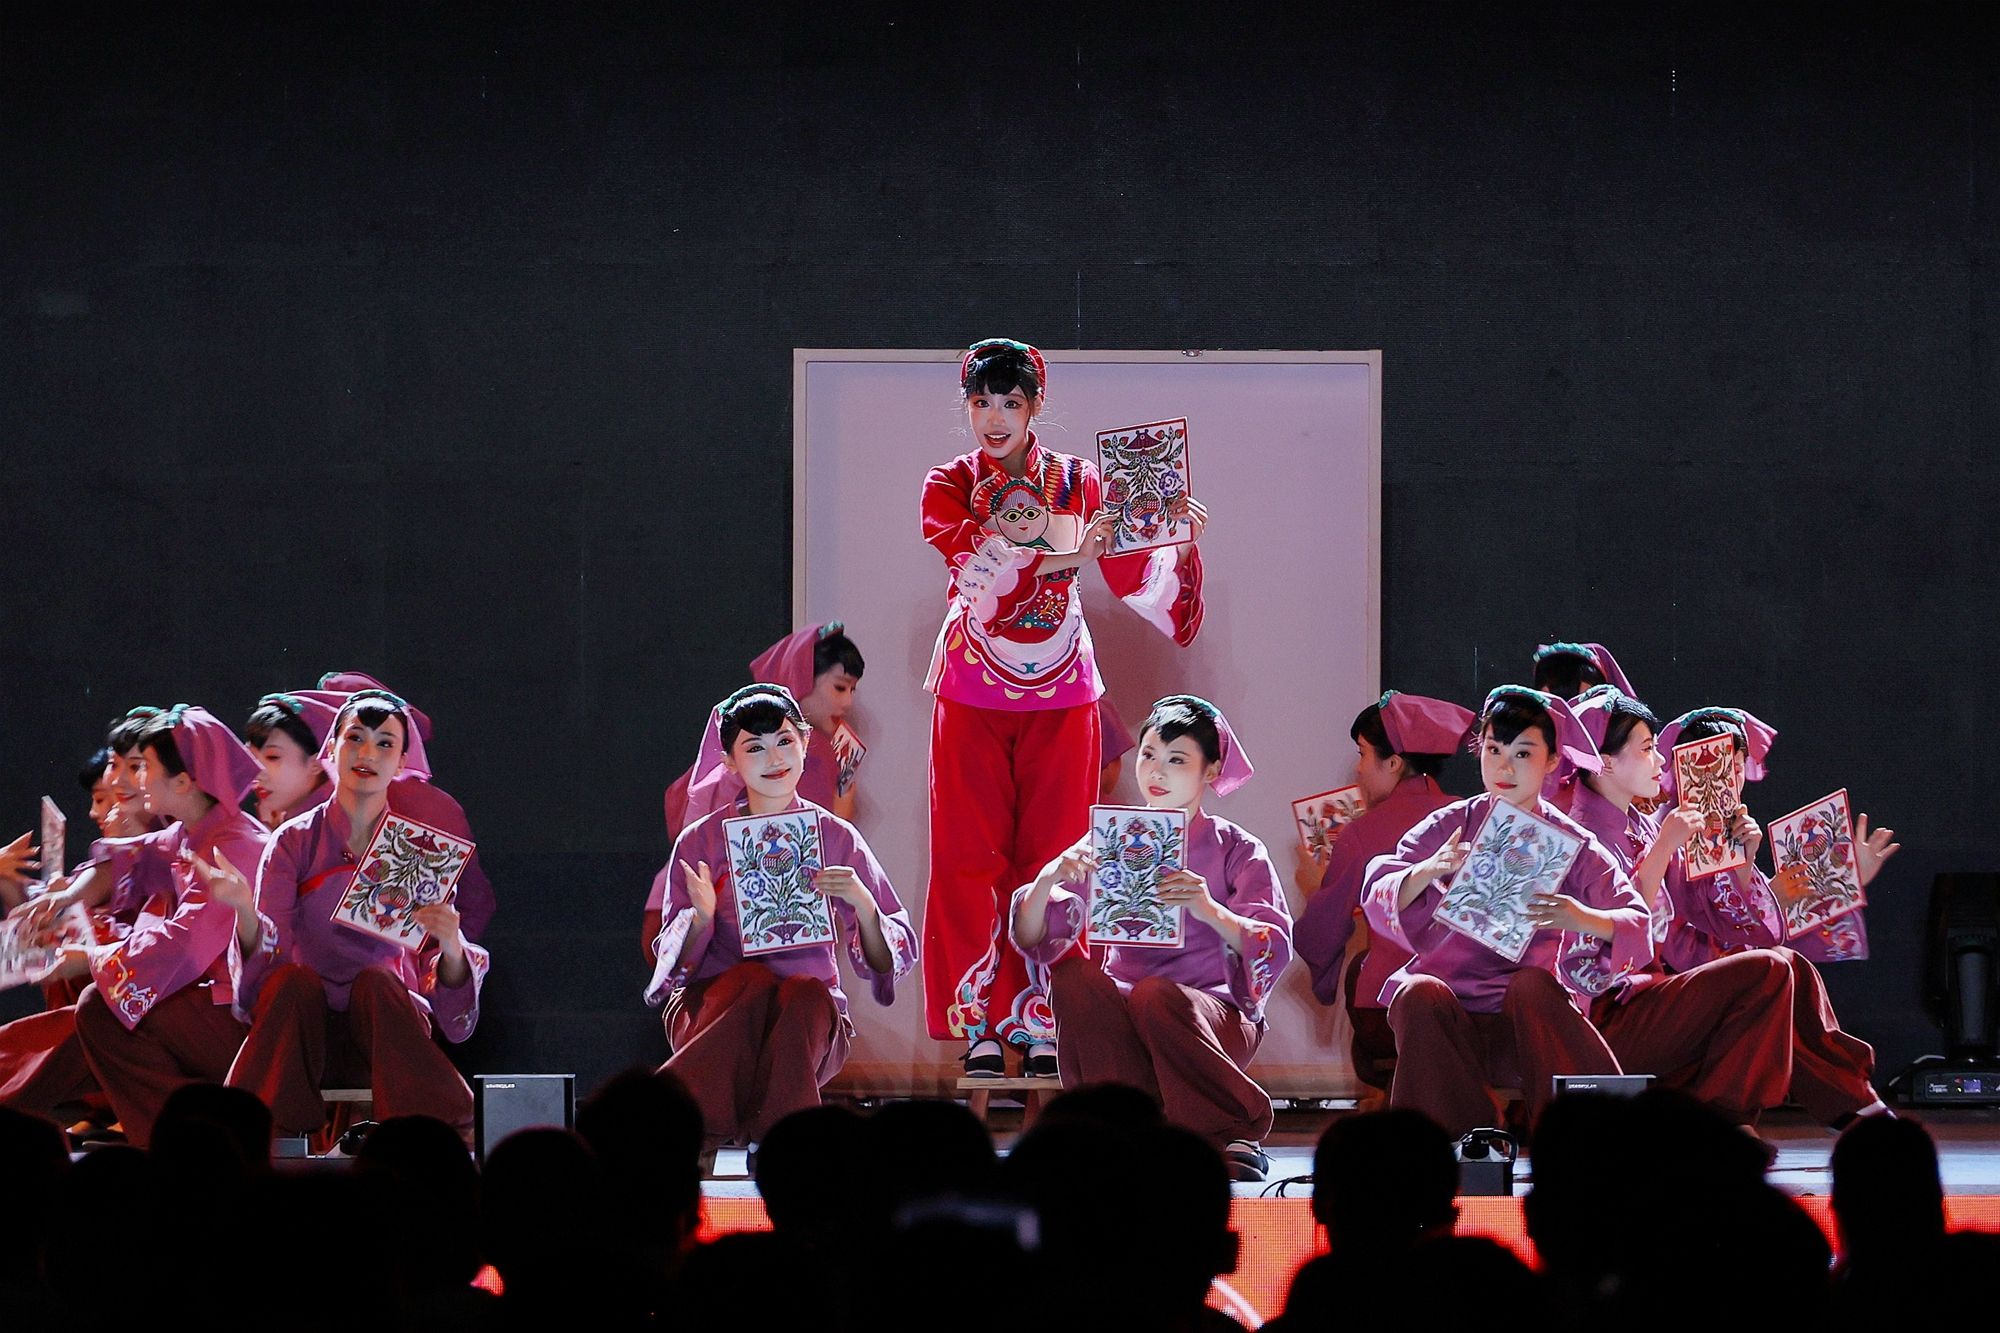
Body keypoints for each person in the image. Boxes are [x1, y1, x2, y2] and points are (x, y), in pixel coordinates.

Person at [922, 338, 1206, 1078]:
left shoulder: (1081, 480)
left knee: (1057, 853)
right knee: (968, 854)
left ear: (1035, 406)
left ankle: (1047, 1015)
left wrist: (1170, 538)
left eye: (1010, 402)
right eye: (981, 402)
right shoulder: (949, 484)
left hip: (1064, 683)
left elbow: (1129, 568)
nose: (994, 417)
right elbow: (981, 569)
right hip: (973, 683)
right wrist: (1077, 557)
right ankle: (982, 1024)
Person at [1012, 695, 1291, 1180]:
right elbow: (1031, 933)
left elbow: (1272, 942)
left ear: (1210, 770)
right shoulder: (1109, 838)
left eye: (1177, 759)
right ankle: (1119, 1129)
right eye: (1148, 755)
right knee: (1075, 978)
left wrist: (1209, 909)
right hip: (1126, 1015)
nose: (1157, 772)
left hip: (1212, 1017)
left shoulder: (1237, 848)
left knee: (1155, 996)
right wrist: (1047, 878)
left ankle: (1232, 1128)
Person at [1361, 686, 1650, 1136]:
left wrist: (1579, 917)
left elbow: (1635, 919)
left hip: (1525, 1024)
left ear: (1552, 761)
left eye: (1523, 754)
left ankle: (1595, 1136)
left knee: (1531, 985)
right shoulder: (1453, 823)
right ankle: (1463, 1143)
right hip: (1446, 1017)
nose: (1505, 767)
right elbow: (1380, 884)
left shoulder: (1574, 842)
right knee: (1417, 992)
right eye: (1494, 750)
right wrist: (1427, 870)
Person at [207, 689, 490, 1141]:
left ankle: (442, 1133)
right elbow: (269, 965)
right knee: (293, 983)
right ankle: (251, 1136)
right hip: (303, 1029)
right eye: (355, 738)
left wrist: (452, 944)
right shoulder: (293, 841)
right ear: (332, 749)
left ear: (401, 762)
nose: (367, 754)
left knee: (377, 983)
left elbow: (441, 984)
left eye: (385, 744)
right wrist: (244, 911)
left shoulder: (420, 850)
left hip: (386, 1030)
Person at [645, 684, 916, 1155]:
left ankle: (673, 1123)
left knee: (804, 993)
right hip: (712, 1018)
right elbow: (674, 969)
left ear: (806, 743)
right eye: (754, 747)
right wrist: (700, 918)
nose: (774, 758)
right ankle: (787, 1145)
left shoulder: (835, 837)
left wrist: (864, 905)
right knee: (749, 982)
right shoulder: (701, 841)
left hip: (808, 1024)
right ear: (729, 762)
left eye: (785, 741)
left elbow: (886, 957)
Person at [1654, 705, 1898, 1125]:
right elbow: (1719, 924)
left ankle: (1849, 1103)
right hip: (1667, 976)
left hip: (1718, 966)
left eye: (1736, 767)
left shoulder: (1727, 830)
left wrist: (1841, 877)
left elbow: (1760, 922)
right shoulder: (1668, 828)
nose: (1730, 779)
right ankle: (1841, 1104)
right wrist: (1763, 886)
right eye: (1718, 765)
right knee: (1778, 970)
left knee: (1785, 970)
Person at [1562, 687, 1794, 1125]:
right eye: (1647, 750)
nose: (1660, 762)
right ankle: (1726, 1119)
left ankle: (1727, 1117)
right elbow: (1609, 958)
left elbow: (1732, 924)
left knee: (1777, 967)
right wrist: (1664, 848)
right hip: (1603, 1018)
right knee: (1770, 971)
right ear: (1605, 762)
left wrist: (1742, 864)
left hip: (1647, 1000)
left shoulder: (1646, 828)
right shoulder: (1582, 836)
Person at [45, 706, 268, 1146]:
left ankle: (190, 1138)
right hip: (215, 1005)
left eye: (143, 767)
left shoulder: (235, 846)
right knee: (93, 1014)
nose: (133, 780)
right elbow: (133, 856)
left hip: (248, 1018)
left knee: (98, 1007)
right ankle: (188, 1133)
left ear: (183, 782)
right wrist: (68, 895)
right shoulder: (193, 832)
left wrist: (89, 960)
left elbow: (185, 943)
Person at [648, 622, 868, 958]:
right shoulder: (770, 767)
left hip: (756, 923)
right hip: (709, 916)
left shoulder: (821, 757)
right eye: (840, 687)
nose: (848, 702)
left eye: (852, 690)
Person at [1292, 691, 1472, 1087]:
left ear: (1393, 762)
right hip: (1472, 1002)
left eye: (1363, 754)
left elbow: (1320, 935)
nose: (1358, 769)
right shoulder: (1471, 815)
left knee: (1361, 974)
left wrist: (1314, 888)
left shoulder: (1362, 832)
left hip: (1396, 1008)